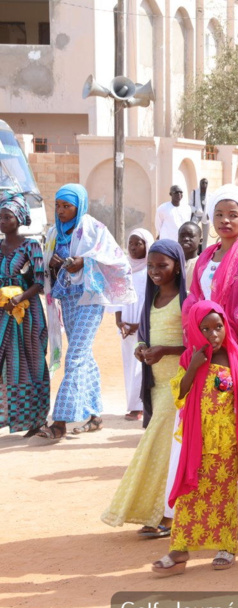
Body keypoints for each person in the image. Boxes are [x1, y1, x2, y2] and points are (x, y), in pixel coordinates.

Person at [151, 301, 238, 576]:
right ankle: (179, 551)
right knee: (190, 493)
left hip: (227, 445)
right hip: (198, 442)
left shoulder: (234, 357)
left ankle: (227, 547)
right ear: (195, 331)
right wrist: (193, 368)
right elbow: (180, 393)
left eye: (218, 327)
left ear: (225, 327)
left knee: (224, 496)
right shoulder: (190, 358)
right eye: (206, 329)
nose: (213, 334)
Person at [183, 184, 238, 537]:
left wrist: (231, 349)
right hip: (206, 353)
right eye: (219, 214)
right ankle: (218, 506)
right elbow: (194, 299)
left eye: (233, 214)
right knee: (212, 433)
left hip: (236, 353)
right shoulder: (205, 257)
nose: (225, 220)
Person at [101, 240, 187, 537]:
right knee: (164, 449)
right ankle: (159, 511)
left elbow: (195, 346)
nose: (154, 271)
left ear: (177, 266)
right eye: (151, 266)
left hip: (179, 385)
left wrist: (166, 350)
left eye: (162, 265)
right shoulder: (150, 299)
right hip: (156, 383)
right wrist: (141, 347)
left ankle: (165, 514)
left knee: (157, 445)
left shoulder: (185, 301)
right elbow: (145, 335)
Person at [38, 184, 134, 441]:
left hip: (90, 299)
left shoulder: (94, 229)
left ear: (79, 206)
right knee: (85, 355)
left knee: (76, 356)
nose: (61, 211)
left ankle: (59, 422)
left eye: (67, 206)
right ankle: (95, 415)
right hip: (67, 300)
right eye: (58, 205)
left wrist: (85, 262)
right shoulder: (53, 234)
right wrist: (56, 266)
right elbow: (47, 268)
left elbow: (117, 260)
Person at [0, 193, 49, 438]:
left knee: (30, 363)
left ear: (18, 219)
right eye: (0, 217)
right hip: (2, 313)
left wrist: (19, 298)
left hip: (27, 314)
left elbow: (39, 283)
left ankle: (35, 420)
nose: (2, 221)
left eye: (7, 217)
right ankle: (5, 416)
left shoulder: (31, 246)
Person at [113, 229, 154, 421]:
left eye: (138, 243)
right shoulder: (125, 269)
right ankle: (132, 403)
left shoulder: (151, 271)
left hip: (142, 324)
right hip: (126, 328)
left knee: (141, 365)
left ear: (147, 245)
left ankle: (139, 406)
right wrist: (119, 321)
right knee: (129, 365)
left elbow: (151, 300)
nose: (133, 247)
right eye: (131, 243)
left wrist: (139, 325)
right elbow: (119, 297)